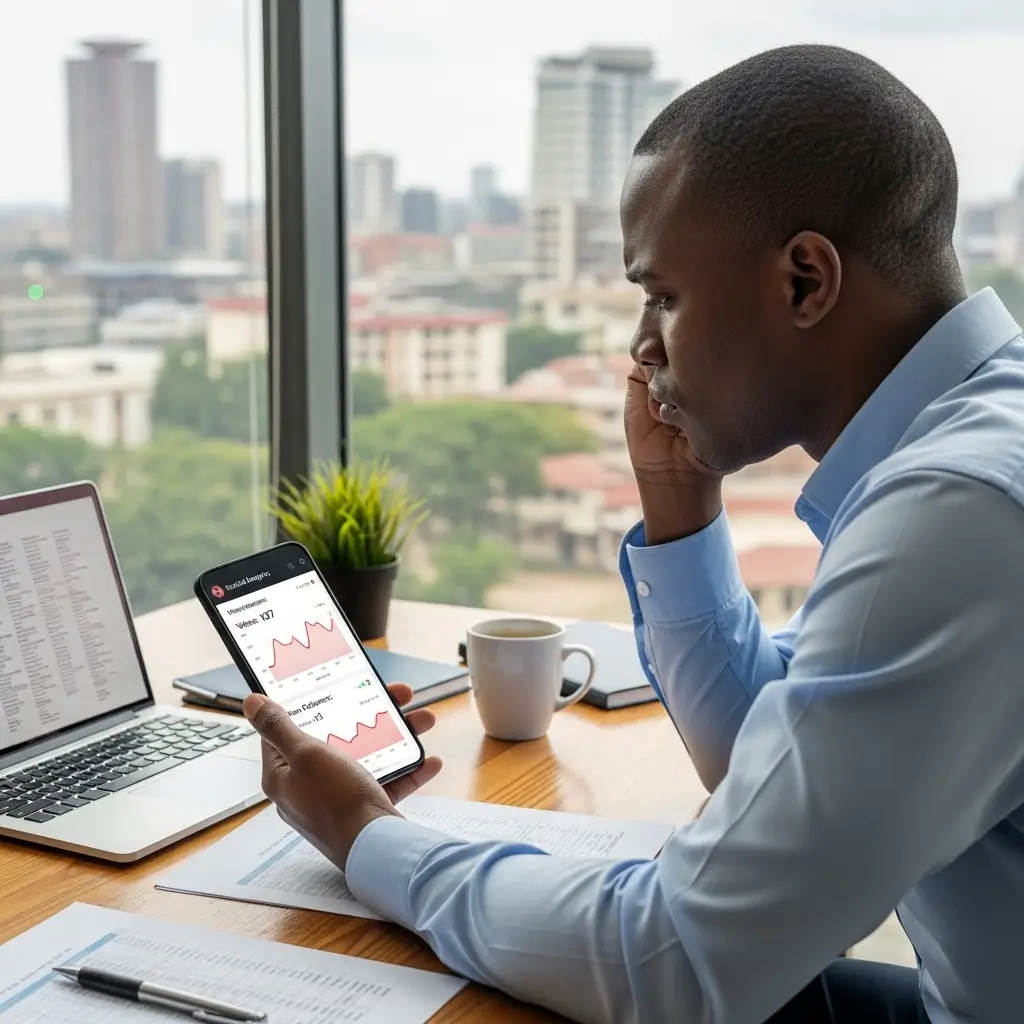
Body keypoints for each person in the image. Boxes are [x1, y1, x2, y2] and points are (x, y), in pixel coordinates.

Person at [242, 43, 1024, 1023]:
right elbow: (772, 772)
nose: (639, 346)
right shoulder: (974, 443)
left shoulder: (957, 513)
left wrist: (363, 833)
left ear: (804, 281)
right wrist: (679, 503)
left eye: (662, 294)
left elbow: (675, 964)